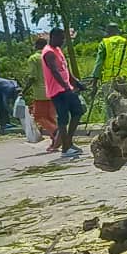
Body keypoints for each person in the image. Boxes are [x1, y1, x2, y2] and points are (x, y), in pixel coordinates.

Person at [42, 28, 86, 159]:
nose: (63, 41)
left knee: (78, 111)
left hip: (66, 89)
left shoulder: (58, 50)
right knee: (63, 119)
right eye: (61, 38)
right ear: (53, 36)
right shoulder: (48, 52)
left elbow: (65, 69)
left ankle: (69, 143)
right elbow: (55, 72)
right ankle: (66, 147)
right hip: (58, 91)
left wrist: (76, 82)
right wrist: (66, 86)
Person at [24, 37, 60, 151]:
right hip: (53, 90)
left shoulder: (34, 58)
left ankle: (56, 132)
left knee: (39, 116)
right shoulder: (51, 55)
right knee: (51, 117)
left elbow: (32, 77)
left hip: (40, 93)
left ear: (35, 46)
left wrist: (24, 91)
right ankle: (55, 141)